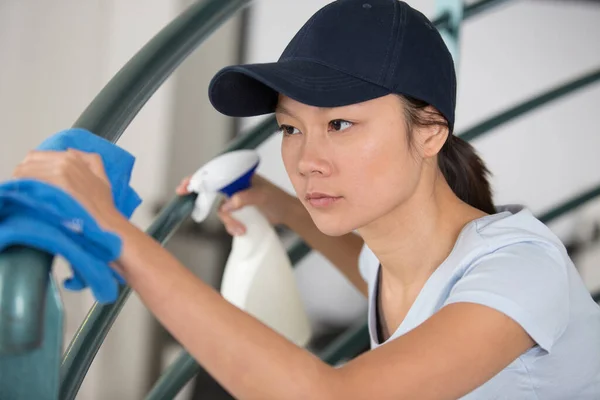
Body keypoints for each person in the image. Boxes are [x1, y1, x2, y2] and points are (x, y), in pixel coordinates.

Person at [12, 0, 600, 398]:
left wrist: (122, 236)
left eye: (340, 124)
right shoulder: (405, 261)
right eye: (291, 128)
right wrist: (285, 206)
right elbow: (379, 278)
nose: (306, 159)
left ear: (430, 130)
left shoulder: (522, 271)